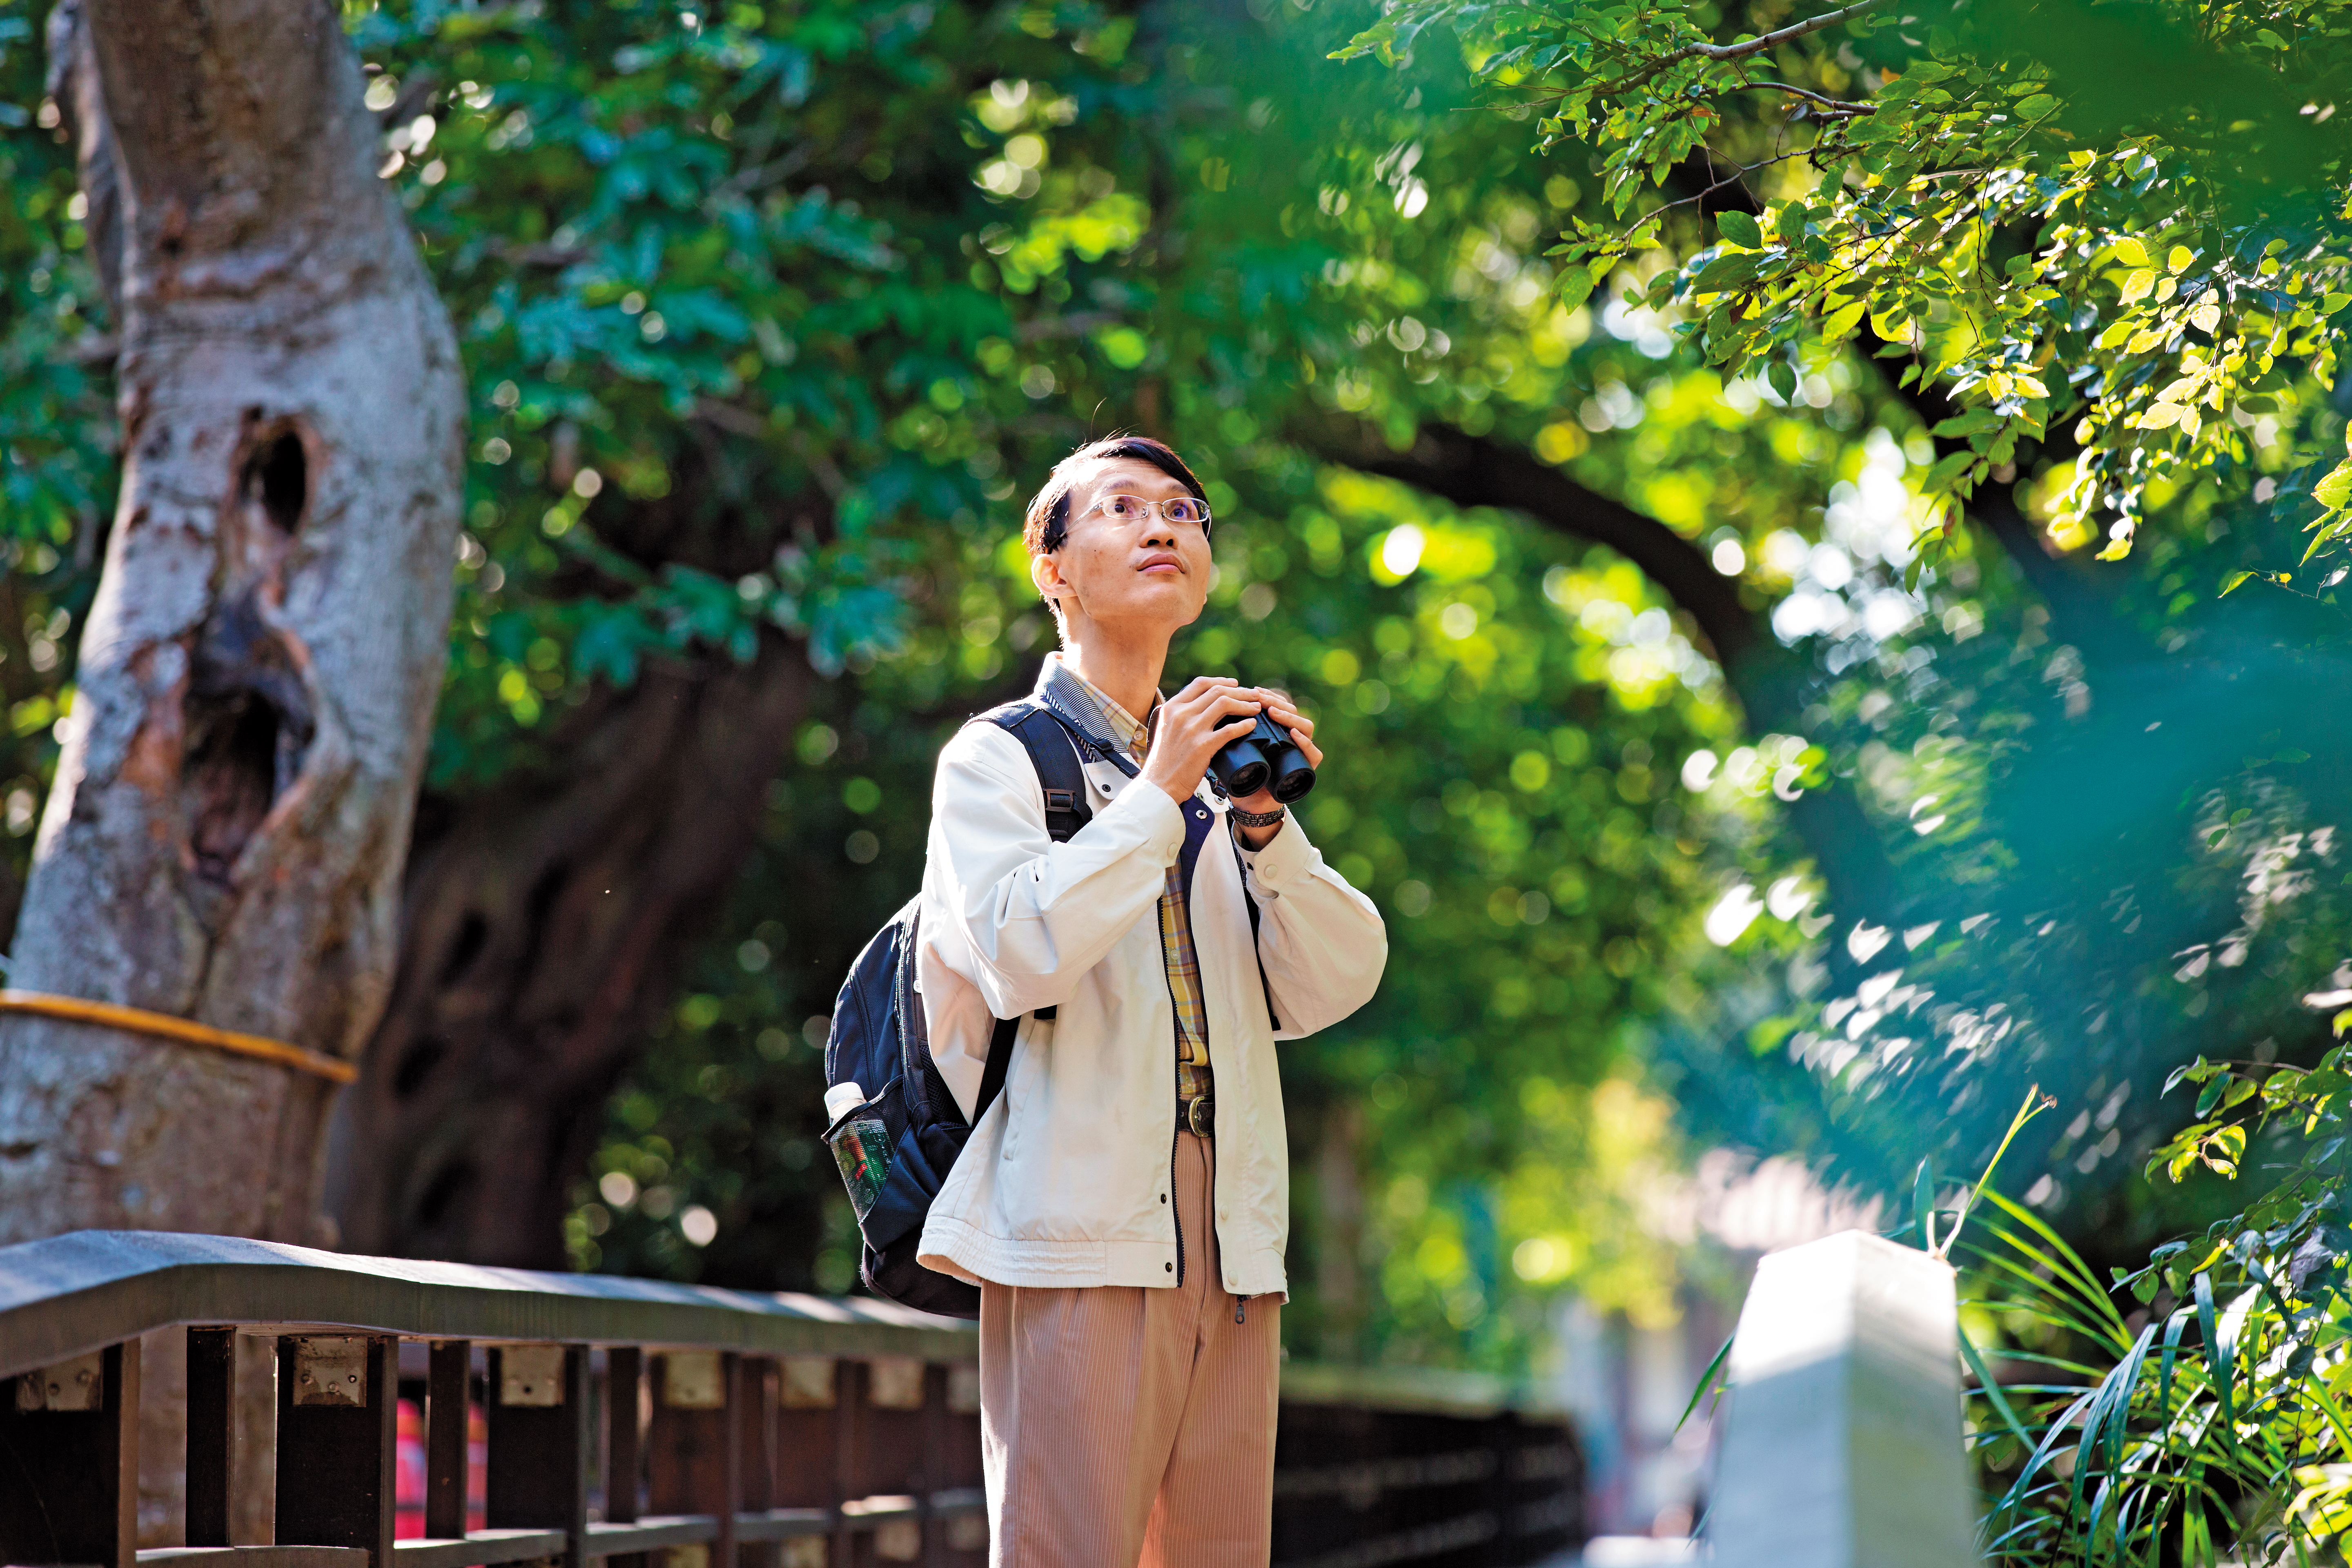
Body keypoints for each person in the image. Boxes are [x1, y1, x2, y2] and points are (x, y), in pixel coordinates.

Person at [912, 435, 1388, 1565]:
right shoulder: (998, 761)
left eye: (1184, 510)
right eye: (1121, 508)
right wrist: (1160, 794)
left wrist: (1266, 829)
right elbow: (1020, 953)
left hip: (1231, 1244)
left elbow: (1334, 980)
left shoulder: (1227, 777)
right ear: (1054, 570)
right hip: (1079, 1229)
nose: (1163, 525)